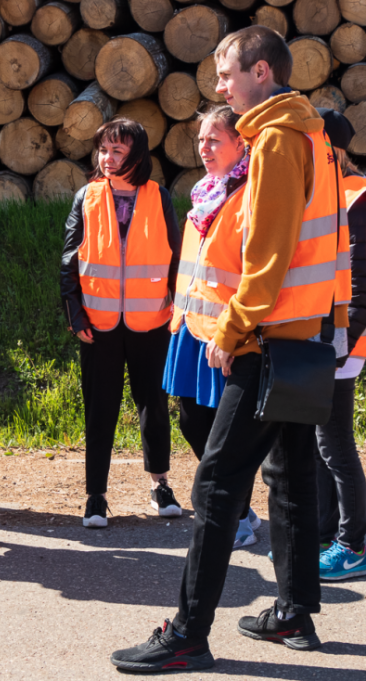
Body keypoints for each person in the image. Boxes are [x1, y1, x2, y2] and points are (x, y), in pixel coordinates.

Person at [111, 26, 349, 671]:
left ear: (262, 73)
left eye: (226, 74)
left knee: (217, 482)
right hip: (304, 337)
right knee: (292, 475)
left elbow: (268, 254)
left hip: (265, 341)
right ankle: (293, 611)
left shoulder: (273, 139)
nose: (218, 86)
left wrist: (231, 329)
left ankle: (188, 632)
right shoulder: (313, 136)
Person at [61, 117, 183, 528]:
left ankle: (160, 485)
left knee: (154, 406)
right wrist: (74, 312)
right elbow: (68, 260)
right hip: (98, 325)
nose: (107, 158)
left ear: (137, 154)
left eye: (117, 150)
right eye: (103, 150)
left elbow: (176, 258)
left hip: (151, 323)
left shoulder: (159, 196)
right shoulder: (87, 196)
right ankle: (95, 496)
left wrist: (178, 310)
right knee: (100, 410)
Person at [161, 105, 261, 548]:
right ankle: (239, 505)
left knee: (224, 433)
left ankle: (234, 514)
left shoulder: (249, 195)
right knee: (190, 420)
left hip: (226, 332)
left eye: (214, 140)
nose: (204, 148)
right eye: (201, 139)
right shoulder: (206, 193)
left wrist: (235, 331)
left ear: (241, 144)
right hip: (190, 327)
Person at [312, 109, 366, 582]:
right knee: (320, 443)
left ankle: (352, 545)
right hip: (326, 340)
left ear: (331, 149)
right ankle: (325, 535)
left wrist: (339, 350)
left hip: (341, 343)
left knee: (335, 443)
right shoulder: (329, 192)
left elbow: (361, 289)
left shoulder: (354, 197)